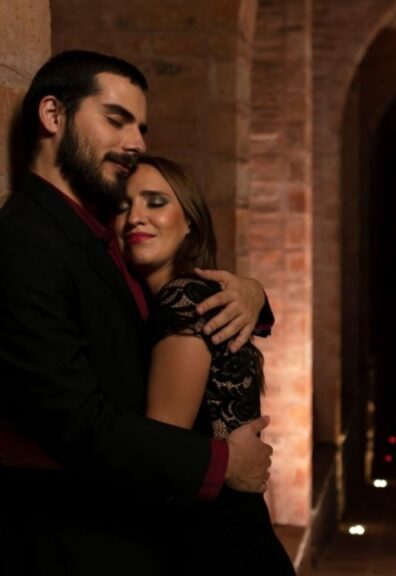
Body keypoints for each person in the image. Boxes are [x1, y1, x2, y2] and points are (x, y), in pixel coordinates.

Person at [0, 50, 274, 575]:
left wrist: (255, 294)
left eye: (141, 127)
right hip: (70, 550)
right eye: (116, 120)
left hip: (147, 539)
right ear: (52, 115)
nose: (137, 143)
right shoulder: (20, 240)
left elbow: (174, 310)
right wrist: (222, 463)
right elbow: (75, 425)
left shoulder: (103, 239)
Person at [114, 156, 296, 574]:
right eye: (123, 206)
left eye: (156, 202)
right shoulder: (196, 297)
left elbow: (163, 451)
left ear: (190, 223)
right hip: (240, 535)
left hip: (213, 546)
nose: (135, 216)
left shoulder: (183, 301)